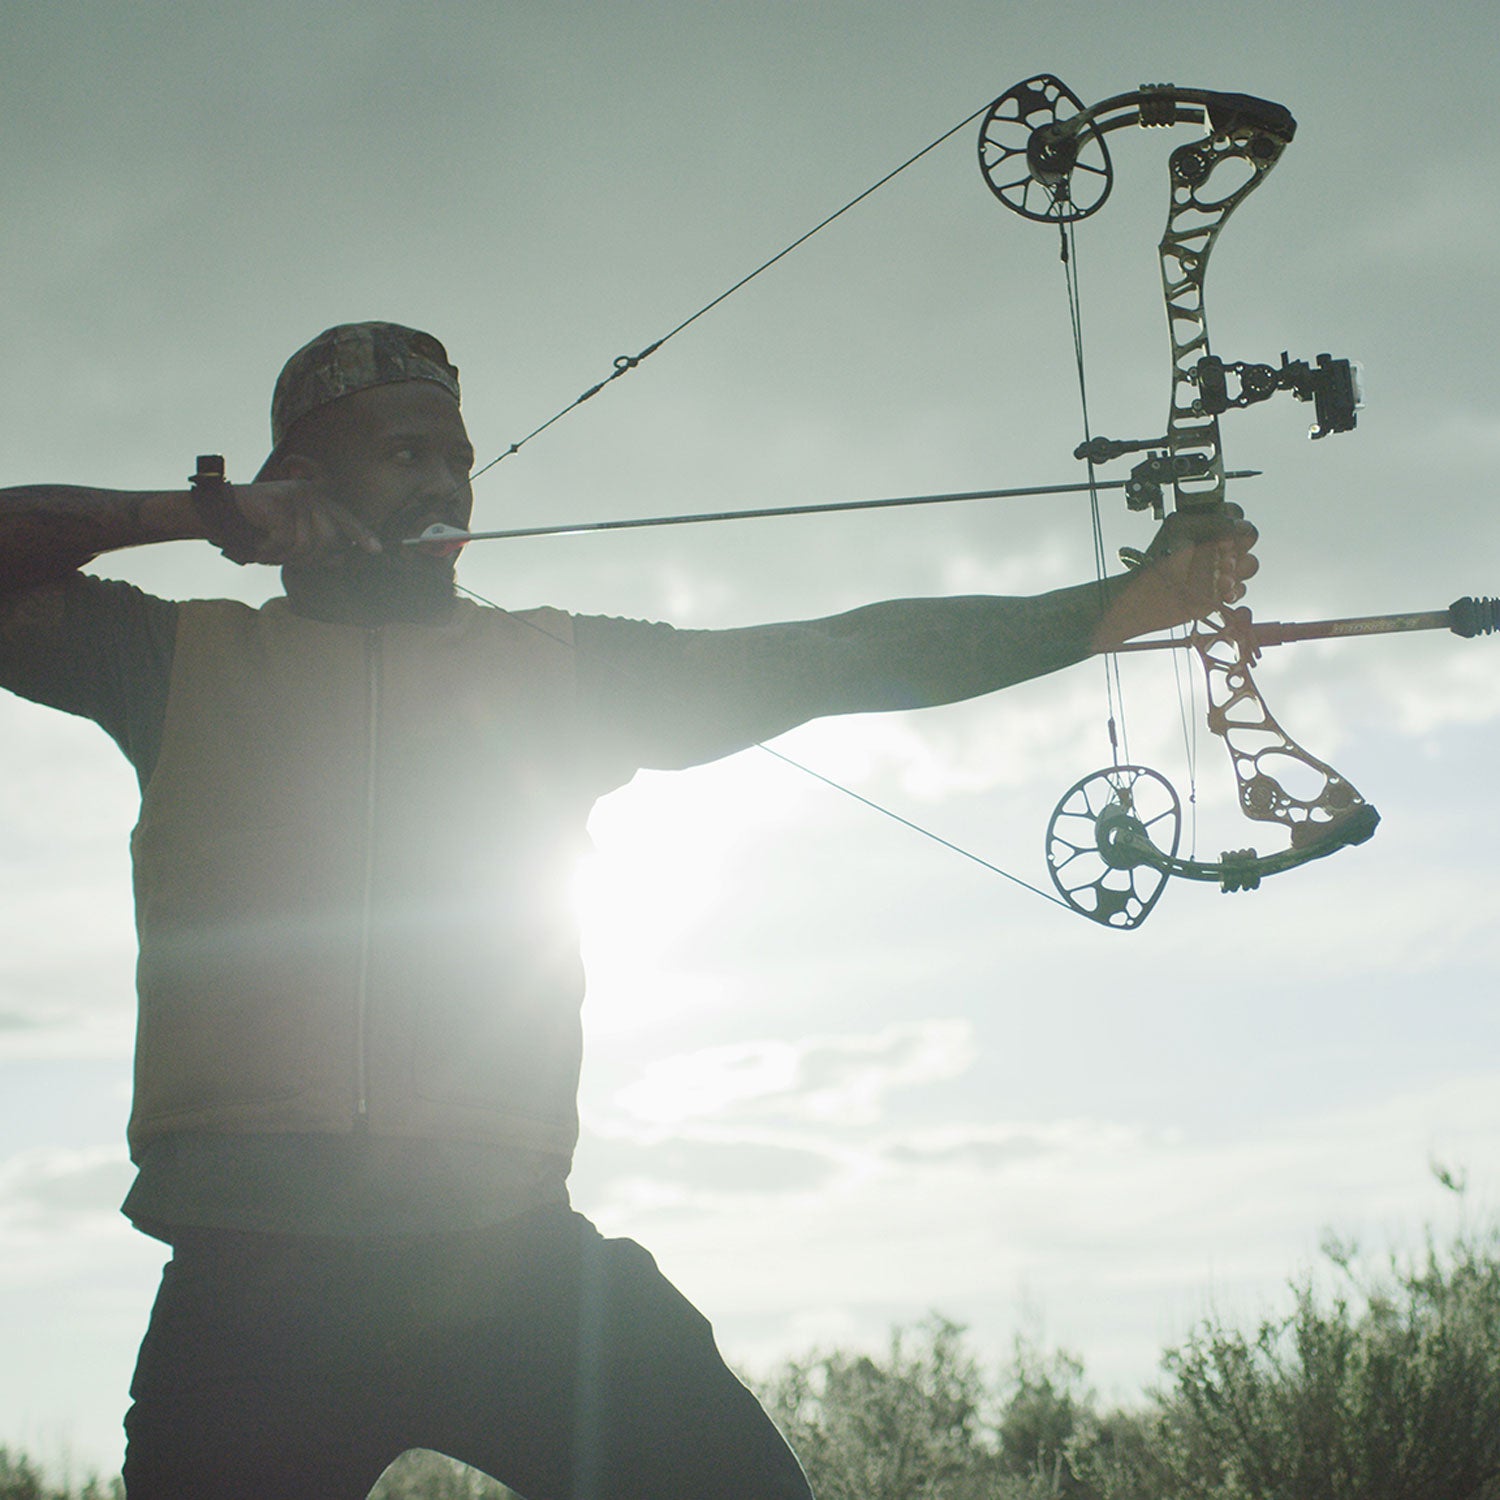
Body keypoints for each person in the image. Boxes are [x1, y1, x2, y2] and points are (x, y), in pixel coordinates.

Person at [0, 323, 1256, 1500]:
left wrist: (1120, 608)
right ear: (299, 481)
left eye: (459, 458)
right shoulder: (172, 660)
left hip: (503, 1259)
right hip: (251, 1278)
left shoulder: (557, 670)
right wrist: (193, 517)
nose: (446, 484)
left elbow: (840, 654)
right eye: (403, 455)